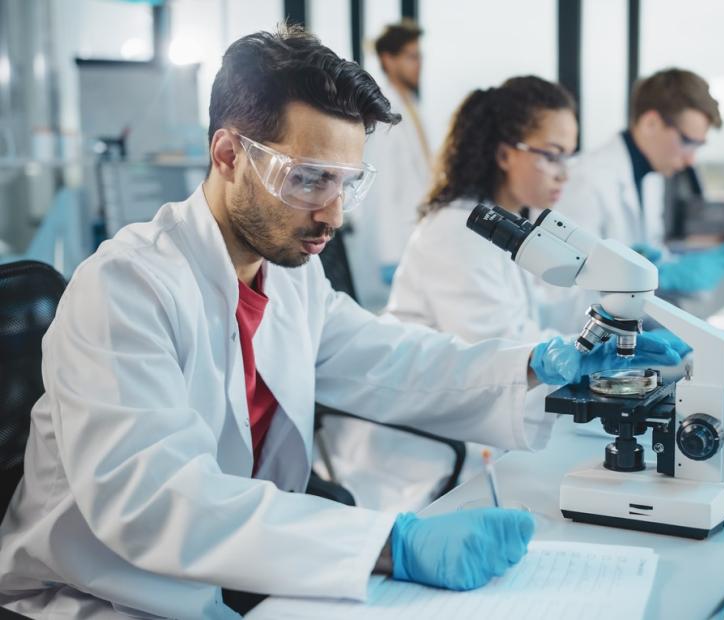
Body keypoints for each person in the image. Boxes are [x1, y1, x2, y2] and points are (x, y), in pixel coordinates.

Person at [0, 28, 677, 619]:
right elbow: (153, 501)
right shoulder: (125, 288)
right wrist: (391, 545)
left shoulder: (291, 275)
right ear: (229, 154)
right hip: (98, 599)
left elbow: (394, 362)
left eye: (347, 182)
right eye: (308, 179)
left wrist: (536, 364)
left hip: (230, 582)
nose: (332, 213)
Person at [318, 76, 688, 514]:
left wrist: (606, 308)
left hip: (486, 429)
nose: (564, 172)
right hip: (432, 459)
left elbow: (538, 313)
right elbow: (492, 348)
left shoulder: (513, 228)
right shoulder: (457, 232)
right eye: (551, 155)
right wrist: (568, 360)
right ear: (504, 153)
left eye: (569, 156)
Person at [557, 68, 724, 294]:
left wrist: (667, 267)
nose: (691, 159)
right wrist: (640, 279)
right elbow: (562, 289)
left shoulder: (653, 179)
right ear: (651, 123)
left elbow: (653, 252)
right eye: (687, 142)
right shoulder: (585, 180)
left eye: (697, 147)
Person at [345, 20, 432, 310]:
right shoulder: (382, 111)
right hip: (393, 245)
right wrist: (389, 254)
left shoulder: (410, 104)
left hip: (413, 235)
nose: (418, 64)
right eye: (410, 56)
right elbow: (380, 188)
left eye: (419, 56)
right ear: (388, 59)